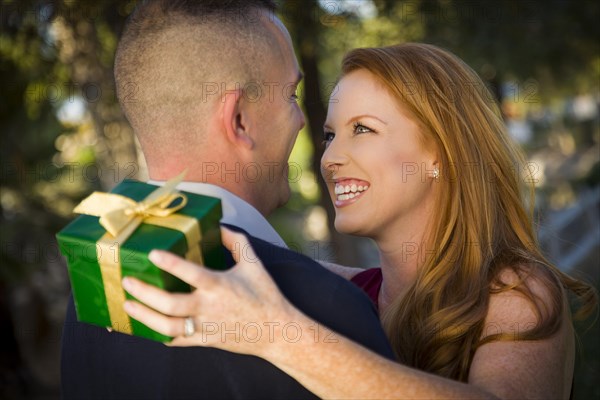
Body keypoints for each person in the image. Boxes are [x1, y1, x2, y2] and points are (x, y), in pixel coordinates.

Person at [123, 43, 598, 399]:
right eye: (330, 135)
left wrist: (278, 336)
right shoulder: (339, 290)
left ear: (441, 153)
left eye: (363, 129)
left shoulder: (515, 292)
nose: (331, 157)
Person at [60, 1, 395, 398]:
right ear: (239, 120)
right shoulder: (320, 305)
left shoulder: (93, 284)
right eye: (291, 94)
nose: (303, 119)